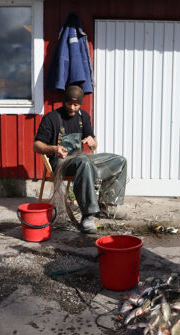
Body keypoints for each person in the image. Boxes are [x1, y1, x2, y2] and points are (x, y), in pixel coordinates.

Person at [34, 85, 128, 234]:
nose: (72, 107)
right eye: (69, 104)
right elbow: (36, 145)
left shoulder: (84, 117)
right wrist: (54, 149)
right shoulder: (51, 118)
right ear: (64, 102)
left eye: (76, 104)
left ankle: (107, 206)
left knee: (119, 161)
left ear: (81, 104)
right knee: (84, 162)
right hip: (61, 163)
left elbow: (94, 143)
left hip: (81, 159)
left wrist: (93, 142)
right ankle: (87, 216)